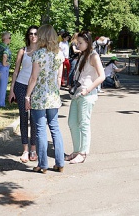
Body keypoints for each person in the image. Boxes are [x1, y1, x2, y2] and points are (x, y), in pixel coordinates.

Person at [24, 24, 65, 173]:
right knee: (55, 128)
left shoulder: (38, 54)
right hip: (53, 95)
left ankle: (42, 164)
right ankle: (60, 163)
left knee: (41, 129)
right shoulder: (59, 54)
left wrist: (27, 96)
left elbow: (33, 77)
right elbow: (59, 77)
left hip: (40, 96)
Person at [65, 31, 105, 164]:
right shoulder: (82, 55)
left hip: (87, 94)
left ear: (88, 42)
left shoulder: (94, 56)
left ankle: (83, 152)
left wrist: (88, 89)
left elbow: (102, 76)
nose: (78, 45)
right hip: (77, 93)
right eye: (77, 43)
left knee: (84, 123)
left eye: (80, 43)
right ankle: (77, 150)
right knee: (72, 122)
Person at [8, 25, 39, 164]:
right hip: (21, 85)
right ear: (28, 36)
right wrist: (12, 89)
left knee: (34, 118)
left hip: (35, 87)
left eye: (35, 33)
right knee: (23, 116)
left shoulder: (42, 51)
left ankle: (33, 148)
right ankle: (25, 149)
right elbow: (15, 71)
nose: (33, 36)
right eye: (31, 33)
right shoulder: (23, 51)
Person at [0, 31, 12, 107]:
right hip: (2, 67)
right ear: (5, 38)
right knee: (3, 85)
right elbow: (4, 55)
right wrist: (5, 63)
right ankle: (1, 103)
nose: (10, 39)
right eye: (9, 37)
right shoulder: (5, 47)